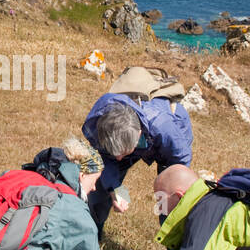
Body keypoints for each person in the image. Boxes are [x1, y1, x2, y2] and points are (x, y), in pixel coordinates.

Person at [81, 87, 192, 237]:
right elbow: (106, 159)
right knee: (99, 184)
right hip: (134, 135)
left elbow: (181, 158)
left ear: (139, 135)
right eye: (115, 153)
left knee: (169, 196)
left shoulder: (162, 126)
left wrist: (170, 188)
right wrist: (116, 190)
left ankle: (173, 247)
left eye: (123, 153)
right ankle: (90, 234)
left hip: (172, 134)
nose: (119, 159)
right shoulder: (102, 125)